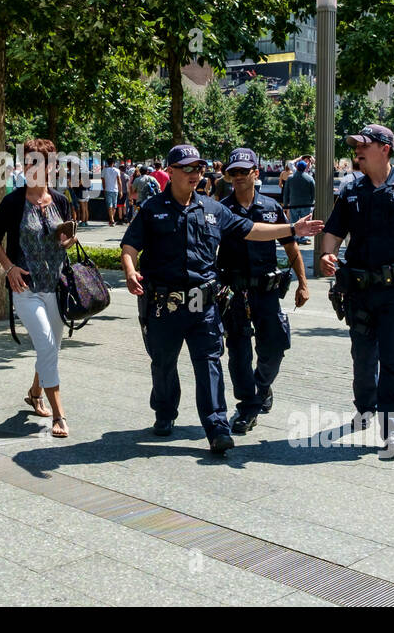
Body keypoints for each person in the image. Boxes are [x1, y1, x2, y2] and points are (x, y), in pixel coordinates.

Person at [121, 144, 323, 454]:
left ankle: (216, 427)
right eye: (187, 168)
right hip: (165, 304)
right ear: (171, 171)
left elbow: (252, 229)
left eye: (198, 168)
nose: (194, 174)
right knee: (163, 364)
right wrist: (130, 270)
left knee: (209, 363)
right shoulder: (152, 209)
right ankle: (164, 412)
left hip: (203, 303)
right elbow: (130, 246)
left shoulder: (214, 210)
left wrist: (293, 228)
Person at [319, 125, 394, 460]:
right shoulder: (351, 191)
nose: (357, 151)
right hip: (359, 291)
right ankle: (365, 407)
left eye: (363, 146)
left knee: (392, 361)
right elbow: (333, 232)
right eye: (355, 147)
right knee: (362, 357)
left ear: (384, 149)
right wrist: (327, 254)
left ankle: (393, 433)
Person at [216, 148, 311, 436]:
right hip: (234, 292)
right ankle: (248, 408)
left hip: (266, 292)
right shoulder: (221, 210)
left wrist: (303, 282)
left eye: (244, 172)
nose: (239, 177)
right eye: (233, 173)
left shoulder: (270, 207)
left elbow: (290, 245)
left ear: (256, 173)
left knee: (275, 346)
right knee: (239, 353)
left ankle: (262, 387)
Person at [0, 138, 77, 438]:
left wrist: (68, 241)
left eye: (37, 162)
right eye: (27, 162)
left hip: (57, 287)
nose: (30, 167)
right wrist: (9, 268)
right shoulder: (13, 202)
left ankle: (35, 391)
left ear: (51, 167)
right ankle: (59, 414)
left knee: (51, 346)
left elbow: (63, 240)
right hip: (25, 287)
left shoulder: (62, 201)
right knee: (46, 343)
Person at [282, 158, 316, 244]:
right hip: (307, 205)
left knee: (294, 222)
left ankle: (295, 238)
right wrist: (313, 202)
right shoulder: (310, 178)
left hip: (294, 204)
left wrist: (285, 204)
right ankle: (304, 238)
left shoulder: (290, 178)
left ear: (296, 167)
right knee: (306, 222)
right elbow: (314, 192)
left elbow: (286, 192)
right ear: (305, 168)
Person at [102, 158, 122, 226]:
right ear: (113, 163)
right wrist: (121, 190)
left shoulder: (104, 170)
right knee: (114, 205)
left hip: (108, 189)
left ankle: (111, 219)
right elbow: (119, 181)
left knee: (109, 205)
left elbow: (103, 181)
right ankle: (112, 219)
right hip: (115, 189)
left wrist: (104, 188)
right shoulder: (117, 170)